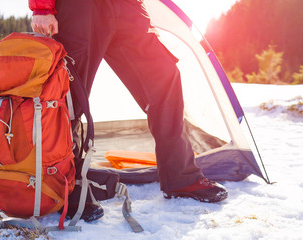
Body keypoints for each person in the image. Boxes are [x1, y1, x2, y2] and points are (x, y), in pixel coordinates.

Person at [29, 0, 228, 220]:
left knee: (164, 75)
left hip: (127, 5)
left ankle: (181, 178)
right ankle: (67, 187)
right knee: (69, 92)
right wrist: (41, 8)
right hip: (79, 6)